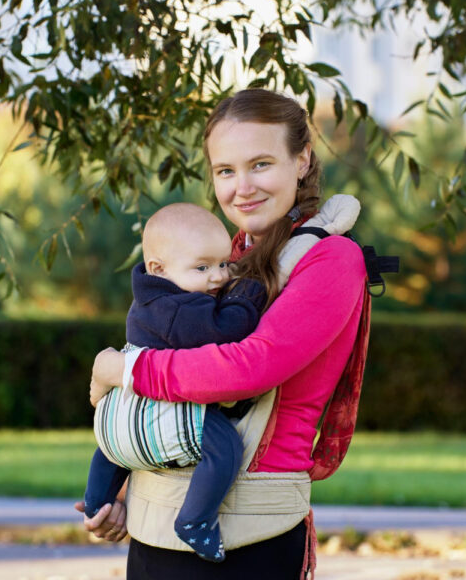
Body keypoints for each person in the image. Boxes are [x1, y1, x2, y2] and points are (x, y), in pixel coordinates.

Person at [78, 88, 370, 579]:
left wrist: (123, 368)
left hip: (250, 543)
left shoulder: (331, 260)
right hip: (158, 534)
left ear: (301, 161)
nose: (242, 187)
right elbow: (176, 375)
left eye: (260, 164)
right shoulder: (224, 260)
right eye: (225, 171)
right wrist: (127, 492)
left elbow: (250, 368)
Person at [85, 201, 268, 561]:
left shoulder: (150, 301)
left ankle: (96, 501)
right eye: (202, 267)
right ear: (159, 269)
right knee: (226, 446)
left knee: (113, 449)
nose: (218, 277)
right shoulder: (181, 308)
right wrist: (248, 295)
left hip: (119, 420)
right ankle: (195, 520)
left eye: (223, 264)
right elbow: (226, 331)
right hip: (164, 412)